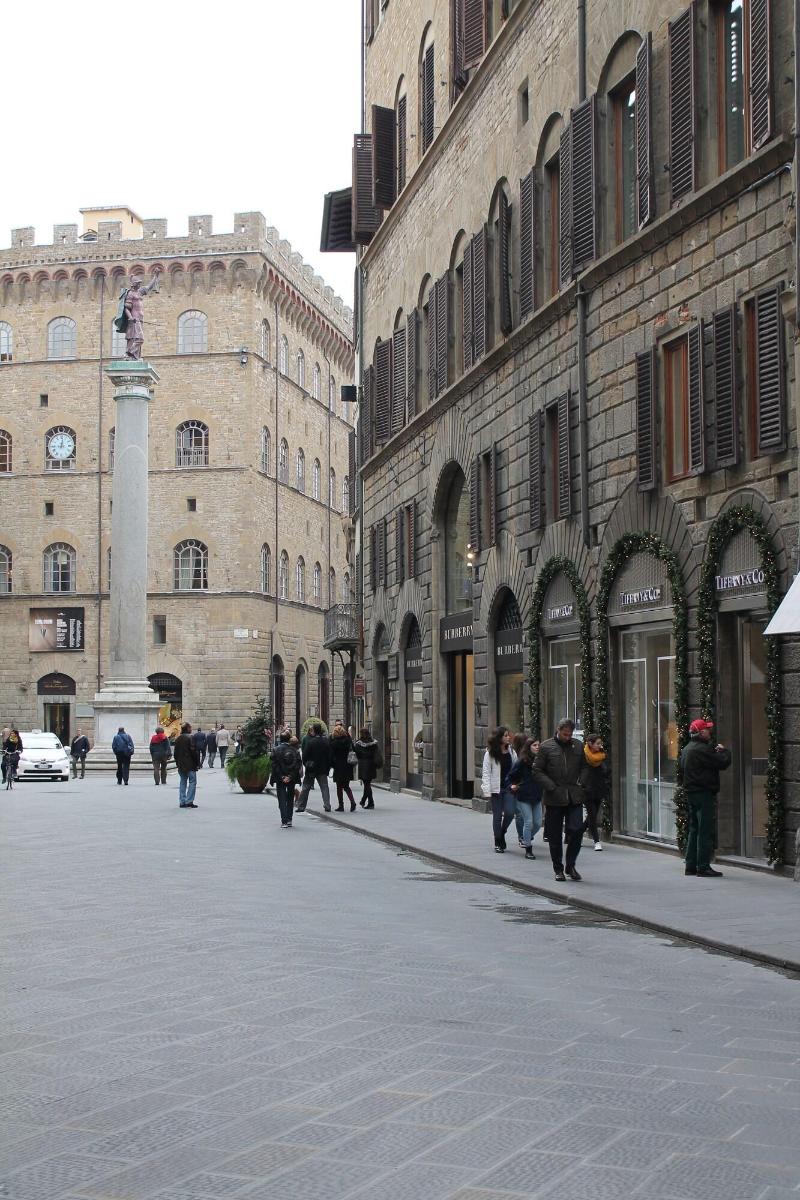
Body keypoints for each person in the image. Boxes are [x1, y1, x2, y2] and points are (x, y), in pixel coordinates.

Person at [533, 718, 586, 881]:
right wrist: (550, 786)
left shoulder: (577, 746)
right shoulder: (546, 747)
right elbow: (537, 770)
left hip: (573, 795)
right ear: (558, 730)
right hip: (554, 796)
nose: (567, 737)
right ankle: (558, 868)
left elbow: (585, 767)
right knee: (555, 835)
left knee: (577, 829)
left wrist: (581, 781)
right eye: (565, 734)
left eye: (570, 734)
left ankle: (571, 865)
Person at [679, 718, 731, 878]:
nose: (710, 731)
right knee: (704, 830)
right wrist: (724, 751)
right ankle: (703, 866)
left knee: (694, 829)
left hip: (691, 793)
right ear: (701, 732)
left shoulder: (687, 749)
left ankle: (690, 865)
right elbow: (723, 762)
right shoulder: (702, 749)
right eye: (708, 729)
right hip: (703, 794)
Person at [481, 727, 517, 853]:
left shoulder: (511, 752)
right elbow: (486, 773)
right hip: (495, 788)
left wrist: (516, 783)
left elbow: (516, 768)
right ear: (499, 738)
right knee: (497, 816)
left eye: (508, 735)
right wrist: (487, 791)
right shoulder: (490, 754)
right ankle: (497, 840)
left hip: (508, 787)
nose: (508, 737)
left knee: (510, 812)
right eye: (506, 735)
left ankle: (502, 831)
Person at [508, 738, 542, 859]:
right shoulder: (522, 761)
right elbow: (511, 775)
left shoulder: (541, 761)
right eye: (535, 745)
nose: (537, 747)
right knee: (528, 822)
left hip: (537, 795)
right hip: (524, 795)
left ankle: (525, 837)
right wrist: (514, 785)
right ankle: (528, 848)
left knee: (538, 823)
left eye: (538, 745)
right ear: (529, 747)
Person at [580, 733, 610, 850]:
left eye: (600, 743)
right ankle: (597, 841)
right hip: (587, 788)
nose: (600, 745)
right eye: (597, 743)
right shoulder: (584, 756)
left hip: (598, 788)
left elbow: (606, 770)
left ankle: (577, 835)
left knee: (592, 816)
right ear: (590, 744)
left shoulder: (601, 755)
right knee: (592, 815)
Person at [269, 730, 302, 827]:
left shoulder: (276, 749)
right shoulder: (295, 750)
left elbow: (274, 765)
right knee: (290, 798)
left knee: (282, 799)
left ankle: (284, 821)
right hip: (291, 777)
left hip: (280, 778)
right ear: (289, 738)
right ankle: (289, 819)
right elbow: (297, 765)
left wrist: (282, 776)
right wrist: (290, 776)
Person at [296, 723, 332, 812]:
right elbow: (330, 756)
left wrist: (306, 764)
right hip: (322, 768)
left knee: (306, 787)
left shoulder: (311, 742)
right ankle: (327, 805)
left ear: (314, 731)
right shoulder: (326, 741)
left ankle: (301, 806)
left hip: (311, 768)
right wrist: (328, 767)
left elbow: (304, 755)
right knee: (324, 787)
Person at [329, 721, 357, 812]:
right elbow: (353, 749)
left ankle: (341, 805)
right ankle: (352, 802)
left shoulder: (334, 743)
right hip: (347, 765)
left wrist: (331, 765)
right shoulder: (348, 740)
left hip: (338, 766)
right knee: (346, 786)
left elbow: (331, 755)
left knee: (339, 787)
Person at [173, 722, 199, 808]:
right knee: (192, 781)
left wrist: (177, 762)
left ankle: (182, 801)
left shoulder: (178, 738)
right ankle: (189, 801)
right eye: (190, 727)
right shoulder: (190, 737)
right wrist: (197, 763)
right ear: (187, 729)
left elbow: (175, 753)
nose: (191, 729)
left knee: (183, 782)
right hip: (190, 764)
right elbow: (194, 752)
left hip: (181, 764)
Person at [354, 727, 381, 808]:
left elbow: (357, 754)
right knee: (367, 784)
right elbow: (377, 754)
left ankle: (370, 803)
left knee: (367, 785)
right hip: (371, 765)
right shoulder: (373, 743)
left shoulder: (358, 744)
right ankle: (364, 801)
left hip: (363, 765)